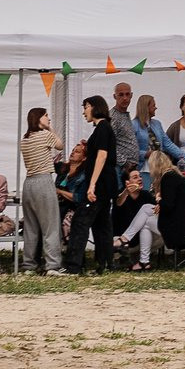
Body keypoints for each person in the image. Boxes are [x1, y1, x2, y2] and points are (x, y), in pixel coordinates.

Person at [66, 95, 120, 274]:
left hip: (100, 184)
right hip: (105, 184)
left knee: (80, 222)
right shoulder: (102, 129)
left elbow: (102, 156)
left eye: (86, 107)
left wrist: (92, 185)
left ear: (95, 107)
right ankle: (105, 264)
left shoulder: (103, 128)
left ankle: (74, 266)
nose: (84, 112)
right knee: (102, 225)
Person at [18, 106, 65, 276]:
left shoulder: (24, 140)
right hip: (43, 181)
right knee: (50, 225)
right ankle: (52, 264)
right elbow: (60, 145)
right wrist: (49, 128)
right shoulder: (45, 135)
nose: (49, 118)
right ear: (38, 119)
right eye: (46, 116)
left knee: (31, 227)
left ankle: (29, 264)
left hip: (28, 183)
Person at [113, 168, 162, 270]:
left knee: (161, 235)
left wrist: (159, 200)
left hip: (140, 238)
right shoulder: (121, 195)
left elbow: (156, 212)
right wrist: (126, 191)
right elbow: (118, 203)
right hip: (119, 239)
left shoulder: (146, 195)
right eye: (135, 177)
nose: (140, 179)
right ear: (127, 182)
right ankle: (121, 256)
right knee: (113, 242)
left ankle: (141, 259)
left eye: (140, 176)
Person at [55, 142, 90, 263]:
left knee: (67, 221)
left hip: (73, 207)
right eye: (73, 150)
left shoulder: (83, 175)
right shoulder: (63, 170)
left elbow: (78, 197)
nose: (73, 152)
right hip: (59, 206)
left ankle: (71, 256)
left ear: (84, 158)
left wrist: (60, 191)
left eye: (77, 151)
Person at [132, 94, 185, 170]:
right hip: (142, 168)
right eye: (153, 105)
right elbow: (130, 149)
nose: (156, 108)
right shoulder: (133, 125)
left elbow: (168, 144)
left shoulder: (157, 124)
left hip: (158, 167)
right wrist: (145, 154)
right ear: (146, 108)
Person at [109, 82, 144, 186]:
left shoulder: (125, 114)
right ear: (114, 96)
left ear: (131, 95)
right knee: (120, 198)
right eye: (121, 95)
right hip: (120, 168)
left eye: (127, 94)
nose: (125, 98)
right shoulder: (113, 117)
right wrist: (125, 163)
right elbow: (110, 144)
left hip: (130, 167)